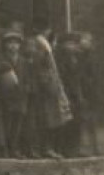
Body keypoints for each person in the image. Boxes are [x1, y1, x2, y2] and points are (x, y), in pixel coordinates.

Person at [25, 18, 73, 159]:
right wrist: (48, 81)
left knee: (51, 118)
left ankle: (48, 148)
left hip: (49, 86)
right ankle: (45, 148)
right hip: (44, 88)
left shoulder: (43, 44)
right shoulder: (39, 44)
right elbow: (42, 67)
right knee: (46, 119)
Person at [0, 30, 28, 157]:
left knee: (18, 125)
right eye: (10, 43)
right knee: (7, 124)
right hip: (7, 98)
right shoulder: (1, 60)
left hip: (21, 97)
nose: (13, 46)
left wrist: (26, 88)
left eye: (16, 43)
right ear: (5, 45)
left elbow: (27, 77)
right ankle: (6, 150)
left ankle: (14, 149)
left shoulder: (23, 61)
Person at [55, 31, 85, 157]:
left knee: (77, 121)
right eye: (70, 44)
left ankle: (75, 148)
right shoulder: (60, 59)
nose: (73, 47)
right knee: (66, 122)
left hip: (75, 94)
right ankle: (66, 149)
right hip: (65, 94)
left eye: (74, 44)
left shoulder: (77, 59)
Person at [72, 32, 101, 157]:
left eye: (88, 40)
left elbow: (95, 75)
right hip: (81, 92)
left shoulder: (92, 56)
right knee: (81, 121)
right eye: (84, 40)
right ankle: (80, 148)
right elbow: (78, 76)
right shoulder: (77, 57)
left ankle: (94, 148)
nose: (86, 42)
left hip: (91, 94)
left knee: (91, 122)